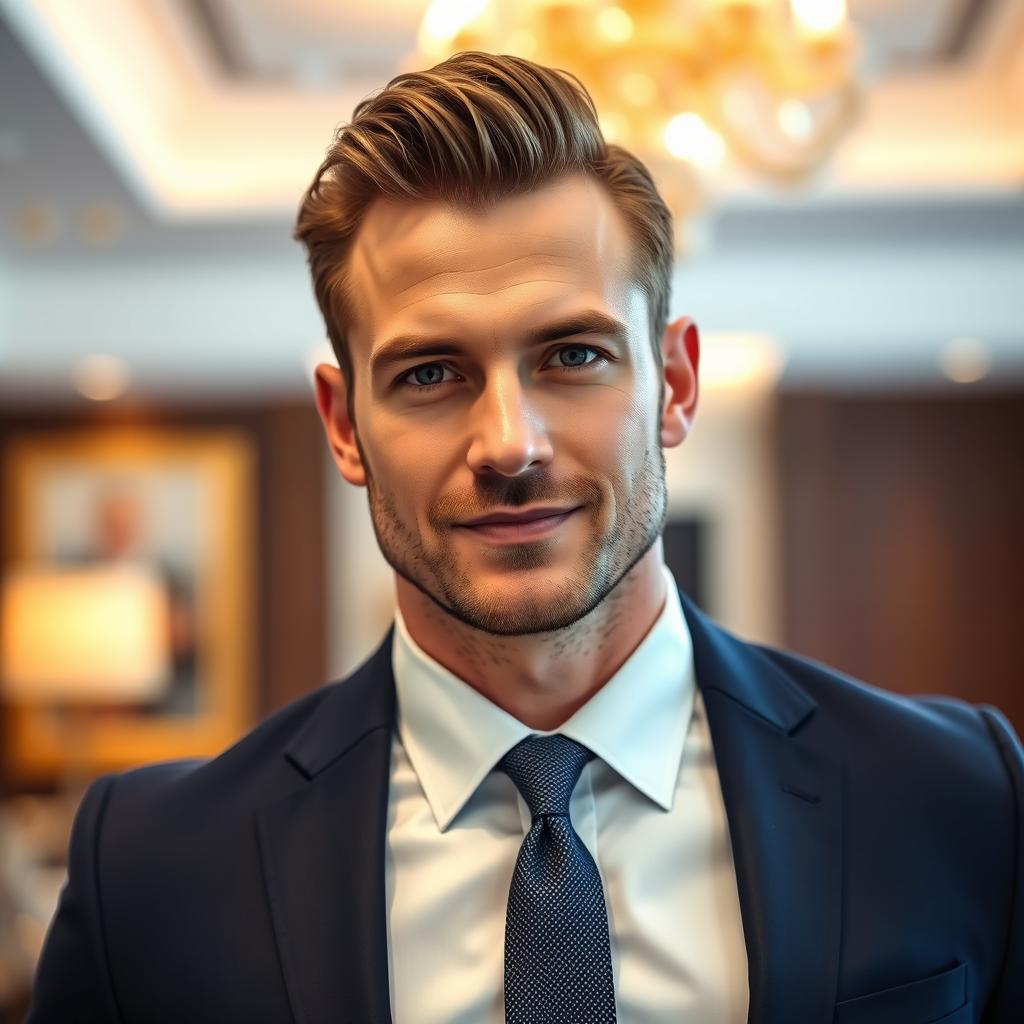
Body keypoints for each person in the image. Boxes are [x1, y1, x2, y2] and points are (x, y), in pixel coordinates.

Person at [28, 52, 1022, 1024]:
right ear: (343, 424)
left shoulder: (956, 796)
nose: (509, 444)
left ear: (674, 385)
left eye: (573, 354)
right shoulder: (151, 868)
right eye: (429, 373)